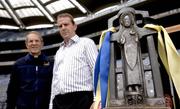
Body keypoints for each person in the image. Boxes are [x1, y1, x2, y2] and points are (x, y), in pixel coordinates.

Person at [49, 13, 98, 109]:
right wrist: (51, 104)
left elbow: (96, 71)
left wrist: (97, 99)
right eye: (60, 26)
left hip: (81, 98)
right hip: (59, 101)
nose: (63, 28)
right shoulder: (59, 51)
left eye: (66, 24)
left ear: (74, 26)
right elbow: (55, 79)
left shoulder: (86, 43)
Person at [6, 31, 53, 109]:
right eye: (31, 41)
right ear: (26, 45)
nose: (34, 43)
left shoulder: (51, 63)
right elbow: (12, 91)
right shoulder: (18, 64)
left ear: (42, 44)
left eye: (37, 41)